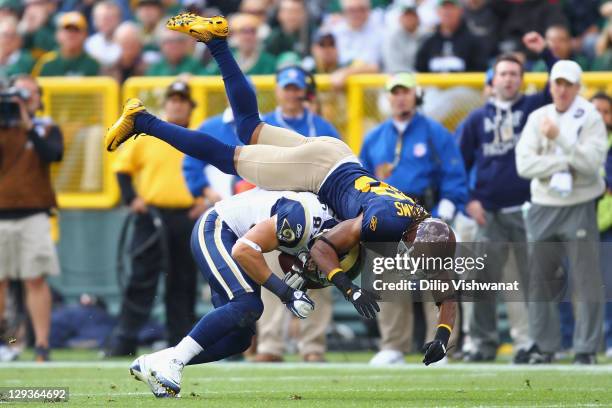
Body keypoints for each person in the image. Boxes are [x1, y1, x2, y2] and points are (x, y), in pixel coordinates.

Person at [105, 13, 458, 367]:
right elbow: (323, 248)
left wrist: (442, 337)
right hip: (321, 173)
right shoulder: (385, 222)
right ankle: (144, 121)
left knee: (248, 126)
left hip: (337, 156)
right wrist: (348, 289)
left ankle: (216, 42)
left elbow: (447, 288)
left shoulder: (428, 227)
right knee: (228, 157)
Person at [129, 187, 339, 397]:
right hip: (219, 228)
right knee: (247, 304)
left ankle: (158, 361)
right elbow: (244, 251)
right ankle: (174, 362)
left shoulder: (324, 221)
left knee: (239, 338)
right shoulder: (307, 213)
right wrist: (286, 293)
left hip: (236, 240)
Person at [458, 31, 556, 364]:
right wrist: (468, 200)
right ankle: (483, 344)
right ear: (493, 79)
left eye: (515, 74)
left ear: (521, 80)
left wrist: (546, 52)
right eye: (503, 73)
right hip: (489, 211)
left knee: (532, 283)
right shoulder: (475, 119)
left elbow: (557, 82)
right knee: (480, 282)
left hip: (528, 208)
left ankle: (534, 345)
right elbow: (459, 167)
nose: (509, 79)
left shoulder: (533, 107)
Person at [360, 72, 467, 365]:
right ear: (388, 97)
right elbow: (362, 181)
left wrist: (447, 208)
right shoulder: (374, 138)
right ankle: (393, 344)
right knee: (387, 277)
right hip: (387, 213)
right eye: (395, 92)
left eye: (405, 91)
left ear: (416, 95)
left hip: (425, 210)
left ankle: (443, 344)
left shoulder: (436, 133)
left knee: (437, 277)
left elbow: (454, 174)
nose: (400, 97)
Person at [516, 60, 607, 365]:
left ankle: (586, 348)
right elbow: (524, 165)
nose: (563, 89)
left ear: (578, 87)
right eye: (558, 83)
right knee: (540, 279)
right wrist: (563, 162)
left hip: (579, 204)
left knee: (586, 278)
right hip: (544, 204)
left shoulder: (591, 116)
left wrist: (558, 139)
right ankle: (544, 345)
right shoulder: (537, 116)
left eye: (569, 84)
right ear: (551, 85)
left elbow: (592, 164)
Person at [103, 81, 203, 357]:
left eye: (183, 100)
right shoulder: (147, 137)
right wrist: (131, 199)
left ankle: (180, 342)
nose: (177, 104)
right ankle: (125, 338)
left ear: (190, 107)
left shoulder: (197, 136)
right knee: (141, 278)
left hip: (186, 216)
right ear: (166, 104)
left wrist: (203, 202)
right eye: (173, 99)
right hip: (152, 216)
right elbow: (121, 169)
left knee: (182, 281)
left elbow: (212, 172)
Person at [254, 66, 340, 363]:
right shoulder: (263, 127)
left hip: (317, 214)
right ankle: (270, 344)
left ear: (304, 91)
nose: (291, 93)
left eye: (295, 88)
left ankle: (312, 345)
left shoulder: (322, 127)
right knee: (270, 277)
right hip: (275, 210)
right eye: (286, 87)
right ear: (277, 89)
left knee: (320, 278)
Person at [0, 74, 63, 362]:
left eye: (29, 94)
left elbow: (53, 154)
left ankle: (41, 345)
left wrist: (28, 127)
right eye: (19, 95)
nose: (23, 100)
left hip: (34, 214)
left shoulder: (46, 127)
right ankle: (8, 342)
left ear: (38, 98)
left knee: (35, 279)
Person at [590, 92, 612, 358]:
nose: (602, 118)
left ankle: (608, 339)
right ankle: (569, 339)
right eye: (596, 111)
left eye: (606, 112)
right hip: (575, 218)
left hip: (606, 221)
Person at [415, 0, 487, 73]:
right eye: (444, 8)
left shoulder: (473, 41)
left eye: (451, 8)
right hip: (432, 83)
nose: (447, 12)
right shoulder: (428, 42)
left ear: (460, 11)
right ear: (437, 11)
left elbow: (480, 69)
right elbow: (420, 69)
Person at [32, 11, 100, 77]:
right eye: (67, 30)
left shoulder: (93, 65)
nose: (71, 35)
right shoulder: (46, 63)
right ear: (58, 34)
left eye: (76, 30)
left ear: (85, 35)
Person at [382, 0, 423, 73]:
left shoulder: (425, 36)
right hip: (399, 79)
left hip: (423, 80)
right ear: (400, 18)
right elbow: (394, 66)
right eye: (406, 15)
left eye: (412, 15)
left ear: (418, 18)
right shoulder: (392, 38)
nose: (409, 19)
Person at [84, 0, 123, 68]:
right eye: (101, 18)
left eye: (109, 18)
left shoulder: (127, 42)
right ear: (94, 20)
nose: (105, 22)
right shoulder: (89, 44)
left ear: (119, 19)